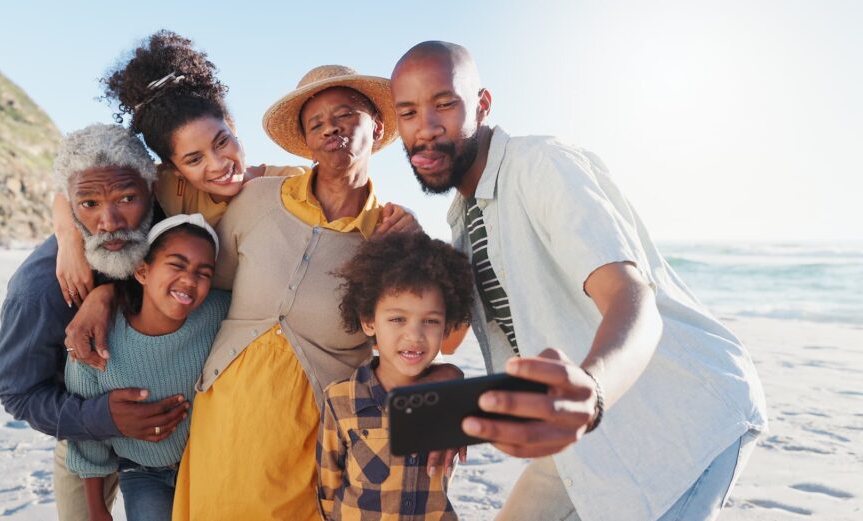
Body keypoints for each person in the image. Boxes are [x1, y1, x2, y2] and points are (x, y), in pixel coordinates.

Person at [390, 41, 767, 521]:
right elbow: (450, 337)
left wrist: (592, 391)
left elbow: (631, 296)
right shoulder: (463, 218)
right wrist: (418, 258)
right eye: (408, 112)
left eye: (444, 104)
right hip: (578, 436)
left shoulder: (542, 165)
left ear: (482, 105)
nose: (425, 127)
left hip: (681, 419)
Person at [170, 64, 442, 521]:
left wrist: (420, 251)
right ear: (306, 141)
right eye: (315, 123)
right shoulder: (256, 200)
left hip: (312, 432)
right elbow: (198, 279)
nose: (330, 128)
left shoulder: (392, 237)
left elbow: (429, 339)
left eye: (344, 115)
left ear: (375, 126)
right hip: (224, 416)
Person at [60, 32, 417, 365]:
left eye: (222, 142)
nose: (218, 165)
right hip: (186, 313)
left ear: (232, 124)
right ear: (173, 167)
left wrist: (403, 223)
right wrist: (69, 243)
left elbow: (347, 199)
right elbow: (75, 191)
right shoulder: (167, 185)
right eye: (194, 159)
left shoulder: (286, 185)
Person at [0, 123, 191, 521]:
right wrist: (103, 418)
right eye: (89, 205)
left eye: (127, 197)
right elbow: (19, 392)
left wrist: (109, 294)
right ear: (71, 205)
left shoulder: (173, 231)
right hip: (84, 433)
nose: (110, 220)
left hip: (175, 434)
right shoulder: (37, 291)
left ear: (153, 188)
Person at [66, 214, 229, 521]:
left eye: (203, 273)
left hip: (204, 466)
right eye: (177, 265)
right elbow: (86, 435)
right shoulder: (97, 339)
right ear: (142, 271)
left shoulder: (219, 313)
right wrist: (97, 508)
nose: (190, 280)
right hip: (142, 473)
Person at [318, 232, 474, 521]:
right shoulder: (340, 400)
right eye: (397, 319)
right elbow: (328, 487)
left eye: (430, 321)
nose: (414, 335)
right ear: (368, 321)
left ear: (447, 325)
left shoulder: (452, 399)